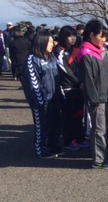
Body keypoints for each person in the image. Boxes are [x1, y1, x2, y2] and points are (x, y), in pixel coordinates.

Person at [77, 20, 108, 169]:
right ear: (91, 35)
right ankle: (99, 160)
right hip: (97, 98)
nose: (104, 39)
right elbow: (88, 80)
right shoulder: (85, 53)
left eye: (105, 36)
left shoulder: (104, 51)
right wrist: (93, 100)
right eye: (101, 36)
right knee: (99, 130)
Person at [22, 30, 63, 159]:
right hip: (41, 100)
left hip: (54, 98)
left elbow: (58, 79)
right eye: (50, 42)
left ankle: (53, 145)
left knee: (55, 124)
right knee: (42, 126)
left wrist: (60, 95)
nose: (52, 44)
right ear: (42, 42)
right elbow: (33, 83)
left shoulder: (51, 58)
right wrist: (39, 101)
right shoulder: (32, 60)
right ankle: (41, 149)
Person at [53, 25, 87, 151]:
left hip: (79, 86)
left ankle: (80, 138)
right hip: (67, 87)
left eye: (74, 35)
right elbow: (64, 70)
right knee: (68, 115)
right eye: (69, 36)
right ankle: (68, 140)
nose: (73, 38)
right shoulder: (58, 51)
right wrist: (78, 82)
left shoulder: (76, 50)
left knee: (79, 114)